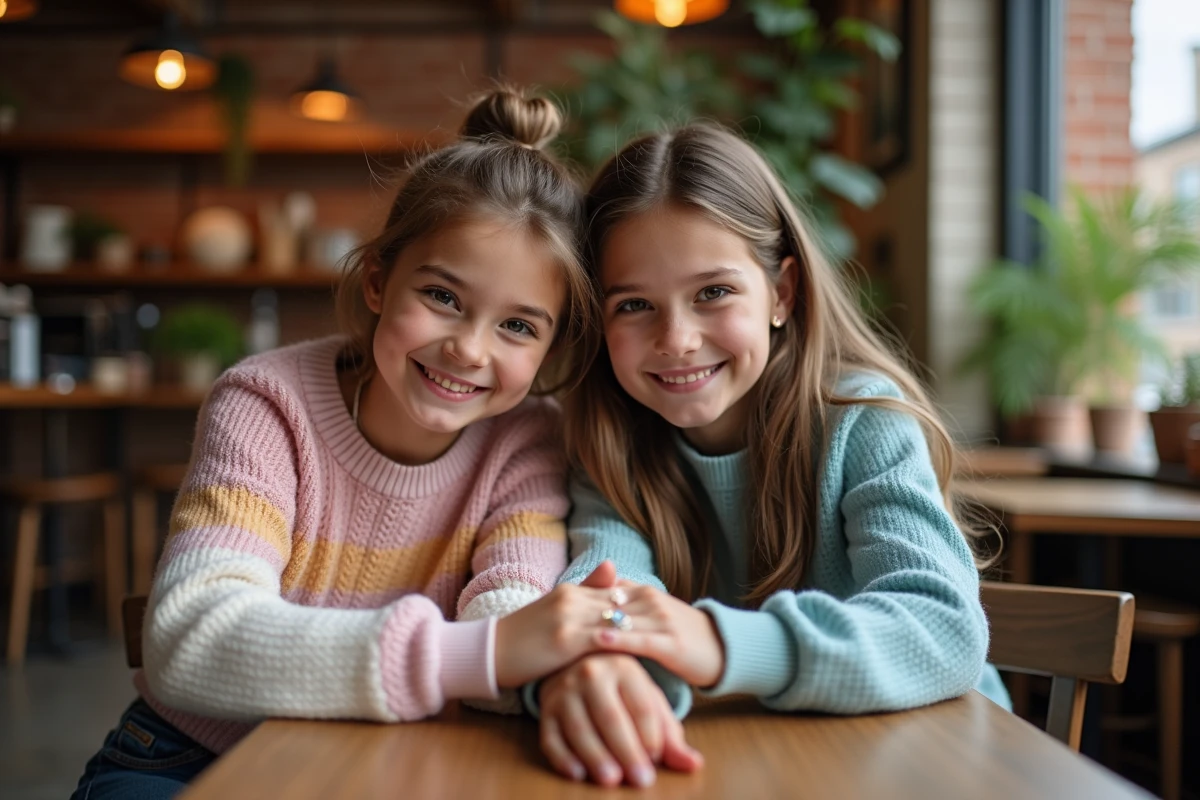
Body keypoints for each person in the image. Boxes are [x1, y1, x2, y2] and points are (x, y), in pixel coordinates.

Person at [70, 87, 644, 800]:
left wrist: (519, 650)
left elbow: (509, 607)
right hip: (190, 757)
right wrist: (480, 656)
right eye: (443, 297)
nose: (468, 349)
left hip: (393, 763)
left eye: (519, 327)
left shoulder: (528, 439)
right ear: (378, 280)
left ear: (555, 343)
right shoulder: (266, 405)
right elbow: (190, 642)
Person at [531, 123, 1012, 787]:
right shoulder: (609, 447)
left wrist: (718, 644)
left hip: (931, 761)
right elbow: (606, 594)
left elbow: (944, 630)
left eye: (713, 293)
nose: (676, 339)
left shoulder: (863, 423)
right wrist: (596, 664)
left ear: (781, 294)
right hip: (750, 767)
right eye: (635, 304)